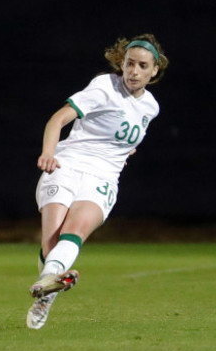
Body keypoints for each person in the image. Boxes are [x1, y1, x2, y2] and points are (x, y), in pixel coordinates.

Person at [26, 34, 169, 329]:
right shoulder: (104, 86)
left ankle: (44, 290)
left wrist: (126, 150)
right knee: (50, 243)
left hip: (103, 178)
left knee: (75, 231)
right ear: (122, 63)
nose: (134, 71)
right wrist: (48, 153)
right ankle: (46, 287)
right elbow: (58, 119)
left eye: (143, 66)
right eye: (130, 64)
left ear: (154, 70)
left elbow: (124, 137)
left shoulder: (151, 108)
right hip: (66, 164)